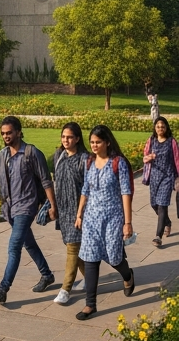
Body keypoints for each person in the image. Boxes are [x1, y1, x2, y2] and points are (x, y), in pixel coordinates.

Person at [0, 116, 57, 303]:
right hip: (8, 207)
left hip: (26, 207)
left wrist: (52, 205)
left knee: (14, 247)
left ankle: (3, 289)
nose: (6, 136)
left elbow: (46, 180)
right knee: (29, 243)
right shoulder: (2, 155)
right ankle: (47, 274)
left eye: (9, 132)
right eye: (3, 133)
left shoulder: (32, 153)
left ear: (19, 132)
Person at [74, 125, 137, 321]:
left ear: (107, 142)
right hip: (91, 218)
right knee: (91, 258)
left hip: (113, 217)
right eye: (92, 142)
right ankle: (90, 305)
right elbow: (85, 189)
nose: (94, 145)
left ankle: (127, 276)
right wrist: (79, 214)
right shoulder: (89, 162)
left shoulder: (119, 163)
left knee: (114, 256)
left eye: (98, 142)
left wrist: (128, 222)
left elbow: (125, 192)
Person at [50, 122, 89, 305]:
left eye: (70, 137)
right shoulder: (58, 156)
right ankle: (90, 277)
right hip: (63, 210)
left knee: (72, 248)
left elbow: (88, 189)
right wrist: (53, 206)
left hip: (79, 210)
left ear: (78, 139)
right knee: (73, 246)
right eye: (64, 136)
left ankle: (65, 289)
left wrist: (81, 213)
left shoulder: (85, 159)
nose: (66, 140)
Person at [142, 115, 178, 247]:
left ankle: (158, 235)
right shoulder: (151, 140)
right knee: (154, 204)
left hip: (167, 177)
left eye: (162, 126)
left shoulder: (172, 142)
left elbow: (177, 160)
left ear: (166, 127)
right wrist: (149, 157)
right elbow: (144, 157)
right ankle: (167, 222)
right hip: (154, 177)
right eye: (158, 126)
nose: (160, 128)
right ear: (155, 128)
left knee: (163, 205)